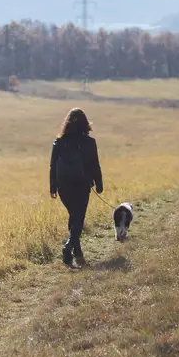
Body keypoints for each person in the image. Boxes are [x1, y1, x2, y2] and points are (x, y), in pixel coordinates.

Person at [49, 107, 103, 267]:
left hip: (63, 185)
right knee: (78, 218)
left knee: (74, 217)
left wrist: (52, 186)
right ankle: (68, 247)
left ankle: (77, 251)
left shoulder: (59, 142)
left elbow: (52, 165)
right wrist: (99, 182)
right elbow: (95, 164)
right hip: (82, 184)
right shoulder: (89, 142)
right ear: (86, 123)